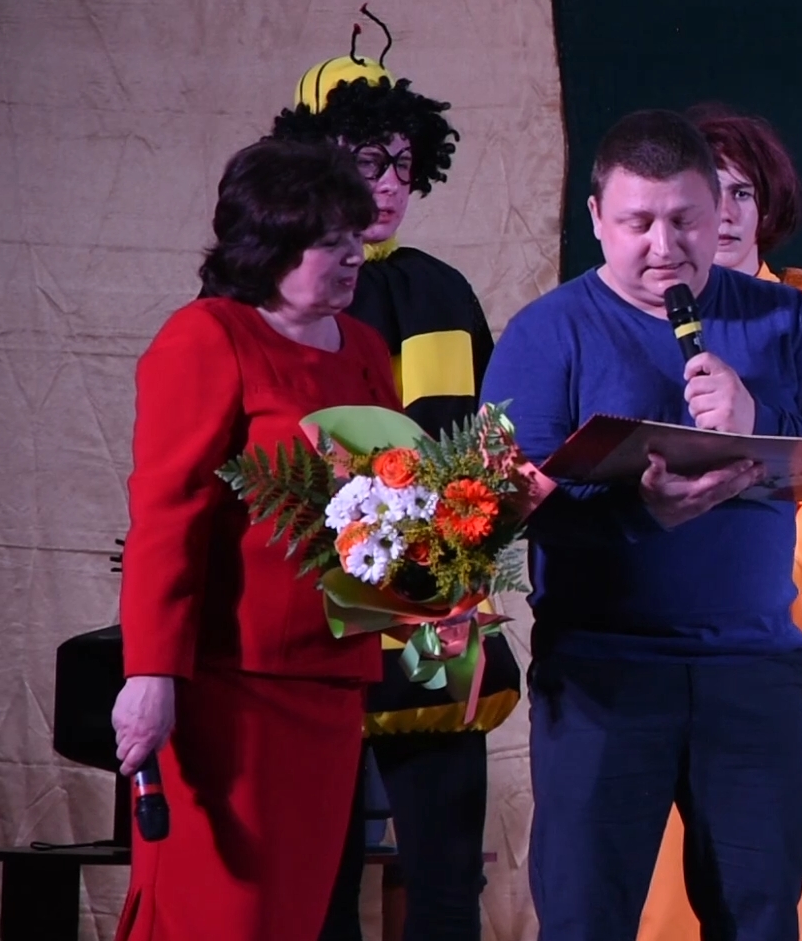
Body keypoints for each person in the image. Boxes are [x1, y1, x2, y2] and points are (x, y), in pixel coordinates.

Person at [482, 109, 802, 941]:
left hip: (750, 672)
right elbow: (505, 507)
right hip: (601, 676)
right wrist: (642, 512)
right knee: (586, 920)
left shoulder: (786, 318)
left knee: (759, 918)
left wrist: (758, 417)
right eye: (637, 223)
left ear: (722, 213)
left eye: (685, 220)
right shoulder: (547, 332)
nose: (663, 246)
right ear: (596, 217)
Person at [109, 139, 399, 941]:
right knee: (218, 917)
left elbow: (392, 499)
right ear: (267, 245)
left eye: (356, 235)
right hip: (228, 688)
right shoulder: (209, 335)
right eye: (331, 240)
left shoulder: (366, 349)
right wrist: (150, 672)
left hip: (332, 682)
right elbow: (168, 515)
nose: (355, 254)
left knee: (294, 918)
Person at [273, 50, 517, 941]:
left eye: (402, 162)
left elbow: (486, 443)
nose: (386, 183)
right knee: (320, 880)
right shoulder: (281, 294)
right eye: (365, 158)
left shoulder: (442, 289)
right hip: (320, 629)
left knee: (445, 877)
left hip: (431, 620)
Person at [638, 105, 802, 941]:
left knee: (779, 858)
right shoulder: (633, 307)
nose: (730, 211)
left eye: (743, 192)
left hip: (776, 610)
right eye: (711, 192)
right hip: (655, 614)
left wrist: (747, 587)